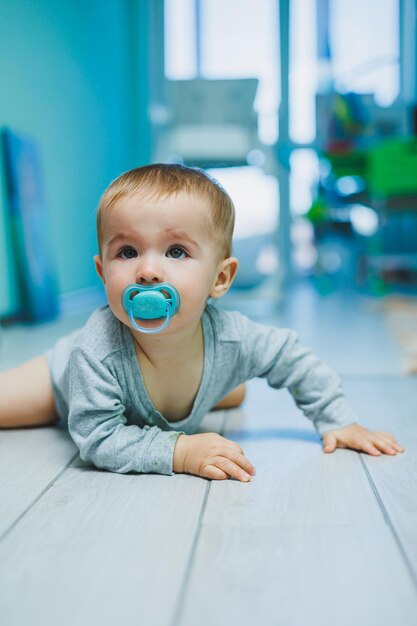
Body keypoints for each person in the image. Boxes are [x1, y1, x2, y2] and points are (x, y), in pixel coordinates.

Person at [0, 164, 404, 481]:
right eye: (127, 252)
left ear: (220, 278)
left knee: (232, 369)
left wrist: (339, 420)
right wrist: (179, 451)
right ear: (103, 272)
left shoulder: (234, 338)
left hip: (190, 370)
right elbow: (98, 438)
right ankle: (208, 392)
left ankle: (213, 388)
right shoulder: (94, 351)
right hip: (64, 381)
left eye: (176, 251)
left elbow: (293, 358)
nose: (148, 271)